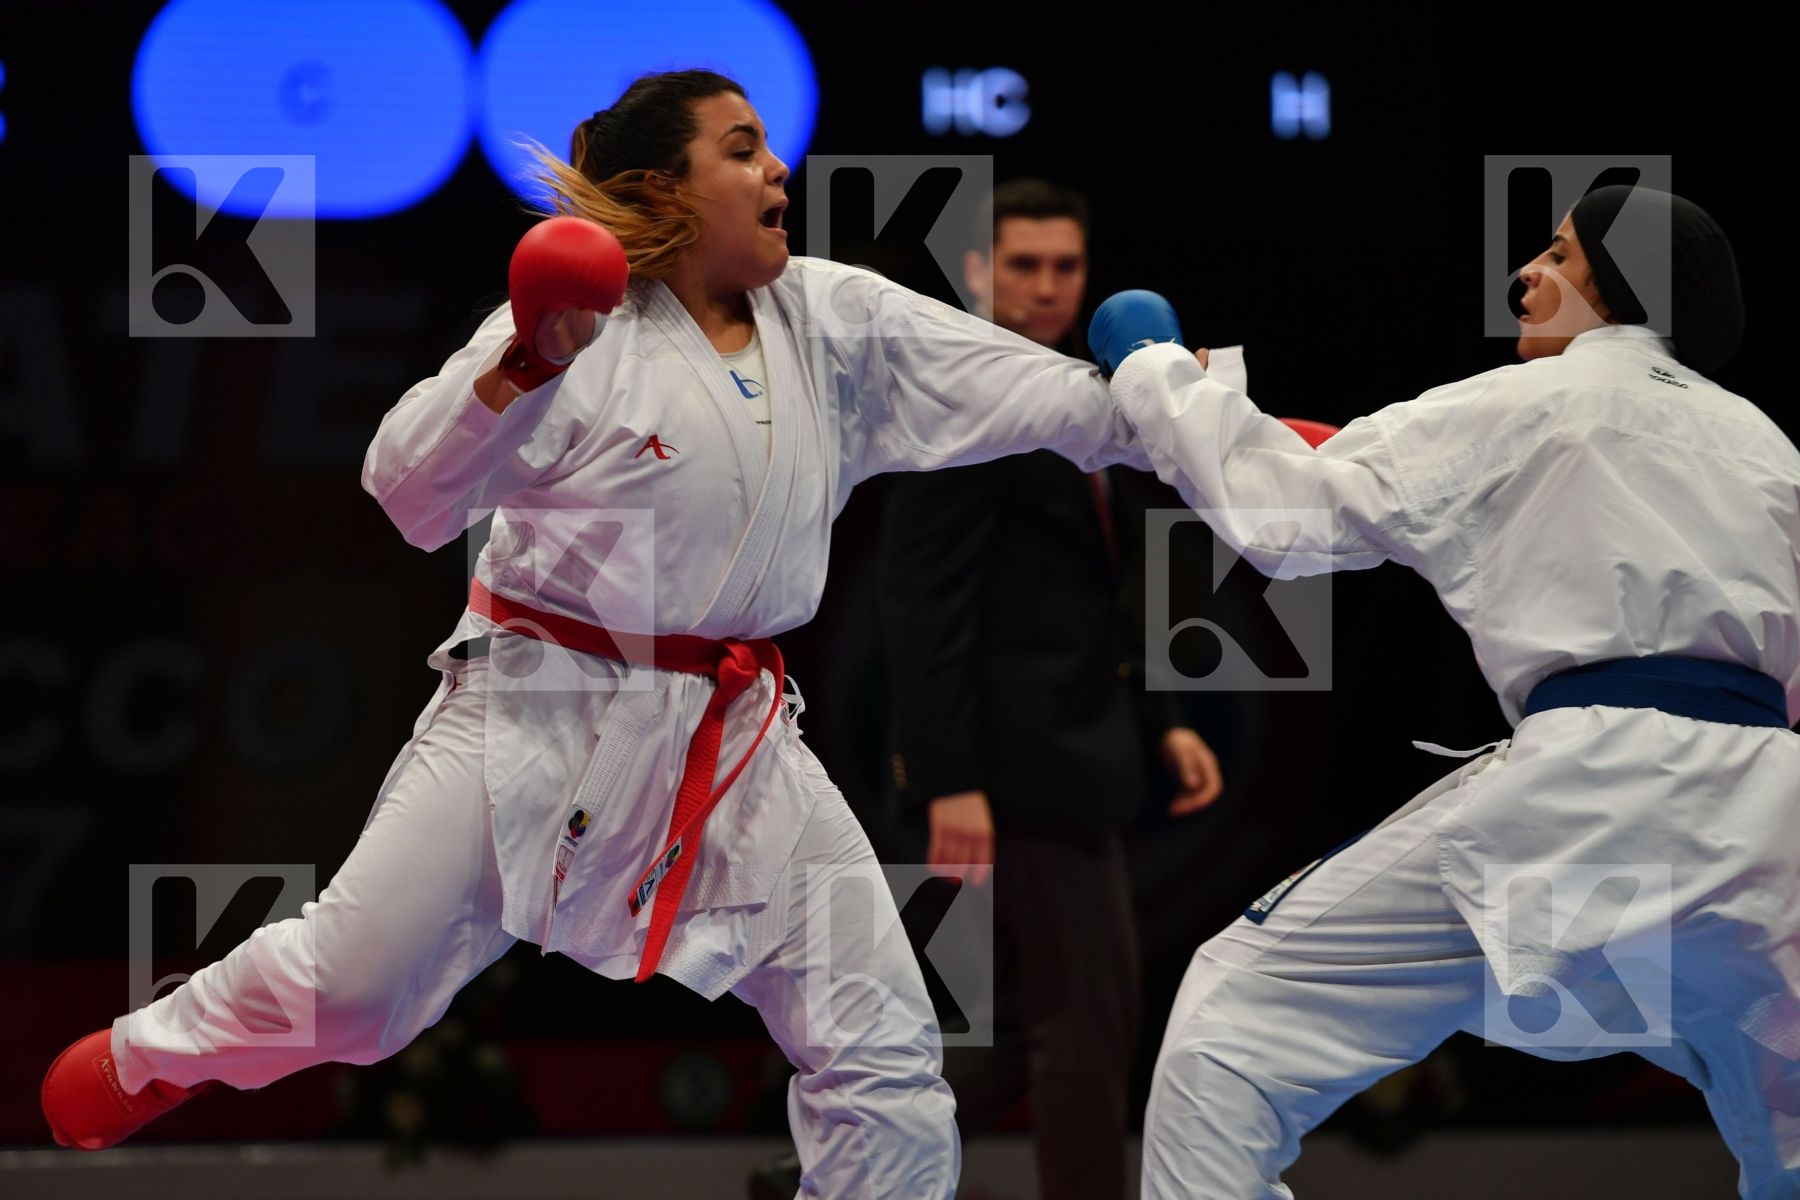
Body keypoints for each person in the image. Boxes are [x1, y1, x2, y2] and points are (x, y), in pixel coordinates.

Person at [39, 69, 1162, 1197]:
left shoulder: (833, 316)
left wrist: (1194, 421)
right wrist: (526, 360)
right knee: (358, 998)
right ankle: (154, 1055)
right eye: (742, 148)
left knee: (884, 1049)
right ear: (662, 190)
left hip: (737, 741)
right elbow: (405, 493)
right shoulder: (582, 326)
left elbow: (1042, 393)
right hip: (535, 715)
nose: (779, 169)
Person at [1087, 185, 1799, 1198]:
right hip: (1769, 831)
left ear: (1608, 285)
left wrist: (1156, 368)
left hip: (1590, 803)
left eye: (1556, 255)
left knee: (1234, 1024)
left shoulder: (1534, 401)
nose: (1528, 278)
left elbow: (1282, 512)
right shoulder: (1769, 447)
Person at [878, 179, 1221, 1200]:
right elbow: (919, 600)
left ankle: (820, 1163)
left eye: (1064, 267)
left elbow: (1097, 594)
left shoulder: (1083, 388)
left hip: (1078, 749)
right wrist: (947, 779)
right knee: (1086, 1022)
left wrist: (1162, 721)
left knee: (1037, 1021)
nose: (1045, 286)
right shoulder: (967, 396)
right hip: (1012, 772)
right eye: (1022, 265)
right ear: (980, 272)